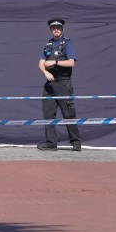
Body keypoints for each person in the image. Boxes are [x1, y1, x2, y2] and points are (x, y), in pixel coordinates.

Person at [37, 18, 81, 151]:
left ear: (62, 29)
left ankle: (76, 143)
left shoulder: (67, 43)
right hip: (50, 83)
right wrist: (45, 72)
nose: (56, 29)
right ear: (51, 30)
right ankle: (51, 143)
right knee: (48, 114)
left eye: (58, 28)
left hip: (63, 82)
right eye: (53, 28)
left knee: (68, 113)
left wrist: (55, 63)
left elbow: (72, 62)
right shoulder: (48, 44)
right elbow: (41, 62)